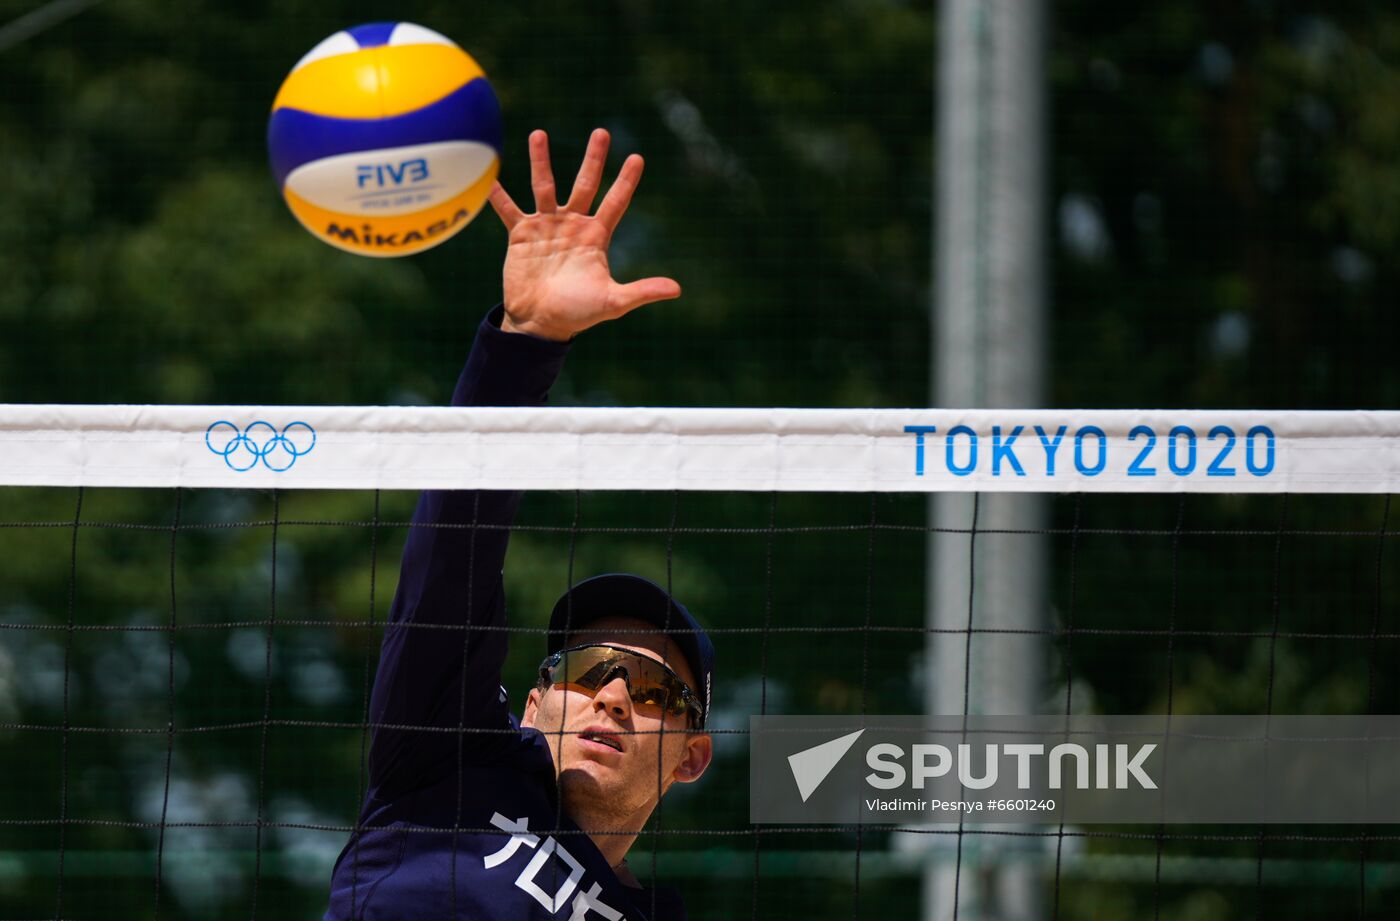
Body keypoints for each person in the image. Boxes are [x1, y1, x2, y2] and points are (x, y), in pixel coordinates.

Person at [324, 128, 714, 921]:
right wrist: (527, 343)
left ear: (691, 755)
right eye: (585, 667)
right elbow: (455, 542)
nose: (609, 694)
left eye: (651, 688)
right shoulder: (448, 755)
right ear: (532, 707)